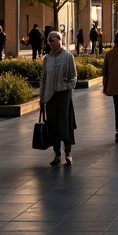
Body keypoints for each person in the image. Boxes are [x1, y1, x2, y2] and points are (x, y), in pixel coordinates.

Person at [40, 30, 77, 165]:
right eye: (49, 41)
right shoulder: (47, 58)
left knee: (64, 123)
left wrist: (68, 86)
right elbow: (44, 78)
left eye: (53, 41)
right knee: (53, 125)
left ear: (60, 40)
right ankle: (57, 153)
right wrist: (42, 96)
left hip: (63, 95)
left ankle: (68, 152)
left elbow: (73, 75)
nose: (51, 43)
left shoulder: (67, 56)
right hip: (50, 96)